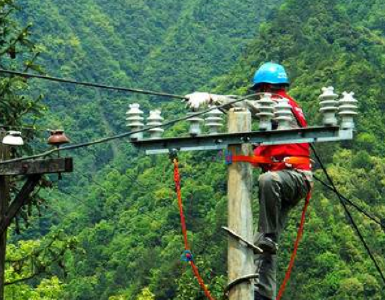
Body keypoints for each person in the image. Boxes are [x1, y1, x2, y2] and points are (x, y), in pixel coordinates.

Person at [185, 62, 312, 300]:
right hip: (289, 178)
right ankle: (263, 294)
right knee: (262, 245)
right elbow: (265, 147)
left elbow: (244, 104)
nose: (259, 95)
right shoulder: (287, 111)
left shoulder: (277, 104)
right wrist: (241, 153)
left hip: (292, 177)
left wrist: (211, 98)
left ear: (266, 87)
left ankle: (268, 239)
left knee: (267, 182)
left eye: (260, 90)